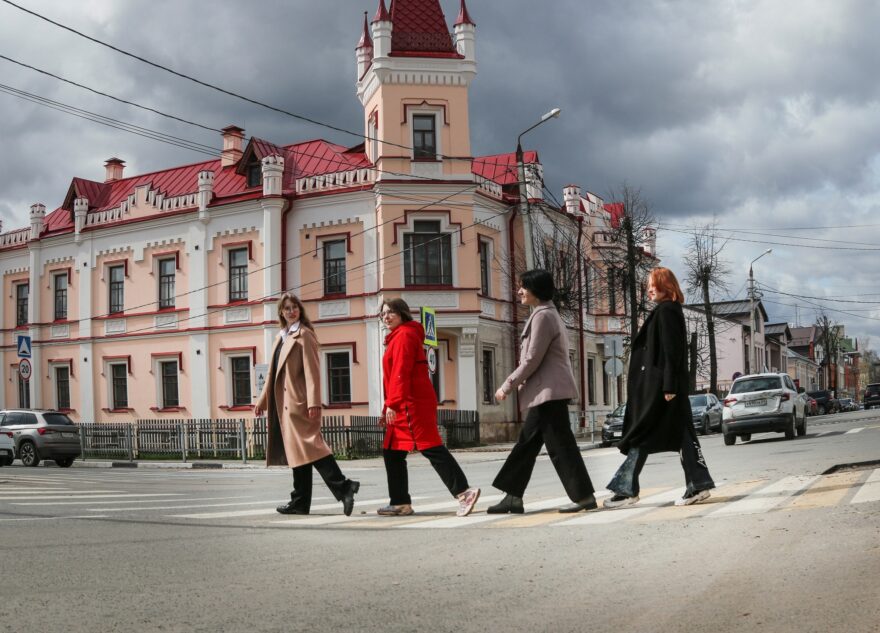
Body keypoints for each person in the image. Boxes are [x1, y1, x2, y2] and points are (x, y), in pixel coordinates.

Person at [604, 267, 716, 509]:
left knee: (646, 433)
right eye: (648, 285)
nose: (649, 289)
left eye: (653, 284)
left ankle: (628, 489)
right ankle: (697, 483)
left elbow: (672, 351)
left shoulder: (667, 311)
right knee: (670, 434)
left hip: (661, 388)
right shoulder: (666, 311)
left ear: (667, 285)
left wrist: (669, 386)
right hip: (662, 386)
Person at [489, 269, 598, 514]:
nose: (519, 291)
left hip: (548, 394)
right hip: (545, 394)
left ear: (536, 290)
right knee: (527, 445)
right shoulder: (544, 314)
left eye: (523, 287)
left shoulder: (543, 316)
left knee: (561, 447)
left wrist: (507, 385)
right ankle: (513, 496)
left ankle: (583, 496)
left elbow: (532, 359)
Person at [254, 292, 360, 516]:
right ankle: (301, 502)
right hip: (284, 405)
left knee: (312, 448)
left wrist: (314, 403)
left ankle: (343, 486)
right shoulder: (280, 337)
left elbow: (313, 372)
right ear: (281, 312)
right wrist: (262, 401)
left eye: (294, 307)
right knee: (298, 454)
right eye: (287, 308)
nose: (291, 311)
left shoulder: (305, 335)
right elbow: (272, 374)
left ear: (300, 310)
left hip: (299, 403)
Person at [378, 298, 480, 517]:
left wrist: (392, 404)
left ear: (403, 313)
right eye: (383, 314)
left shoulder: (404, 335)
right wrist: (389, 404)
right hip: (406, 400)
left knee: (430, 446)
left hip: (410, 403)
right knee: (392, 451)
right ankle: (400, 502)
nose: (386, 317)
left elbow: (400, 371)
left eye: (391, 312)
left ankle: (464, 492)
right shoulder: (400, 335)